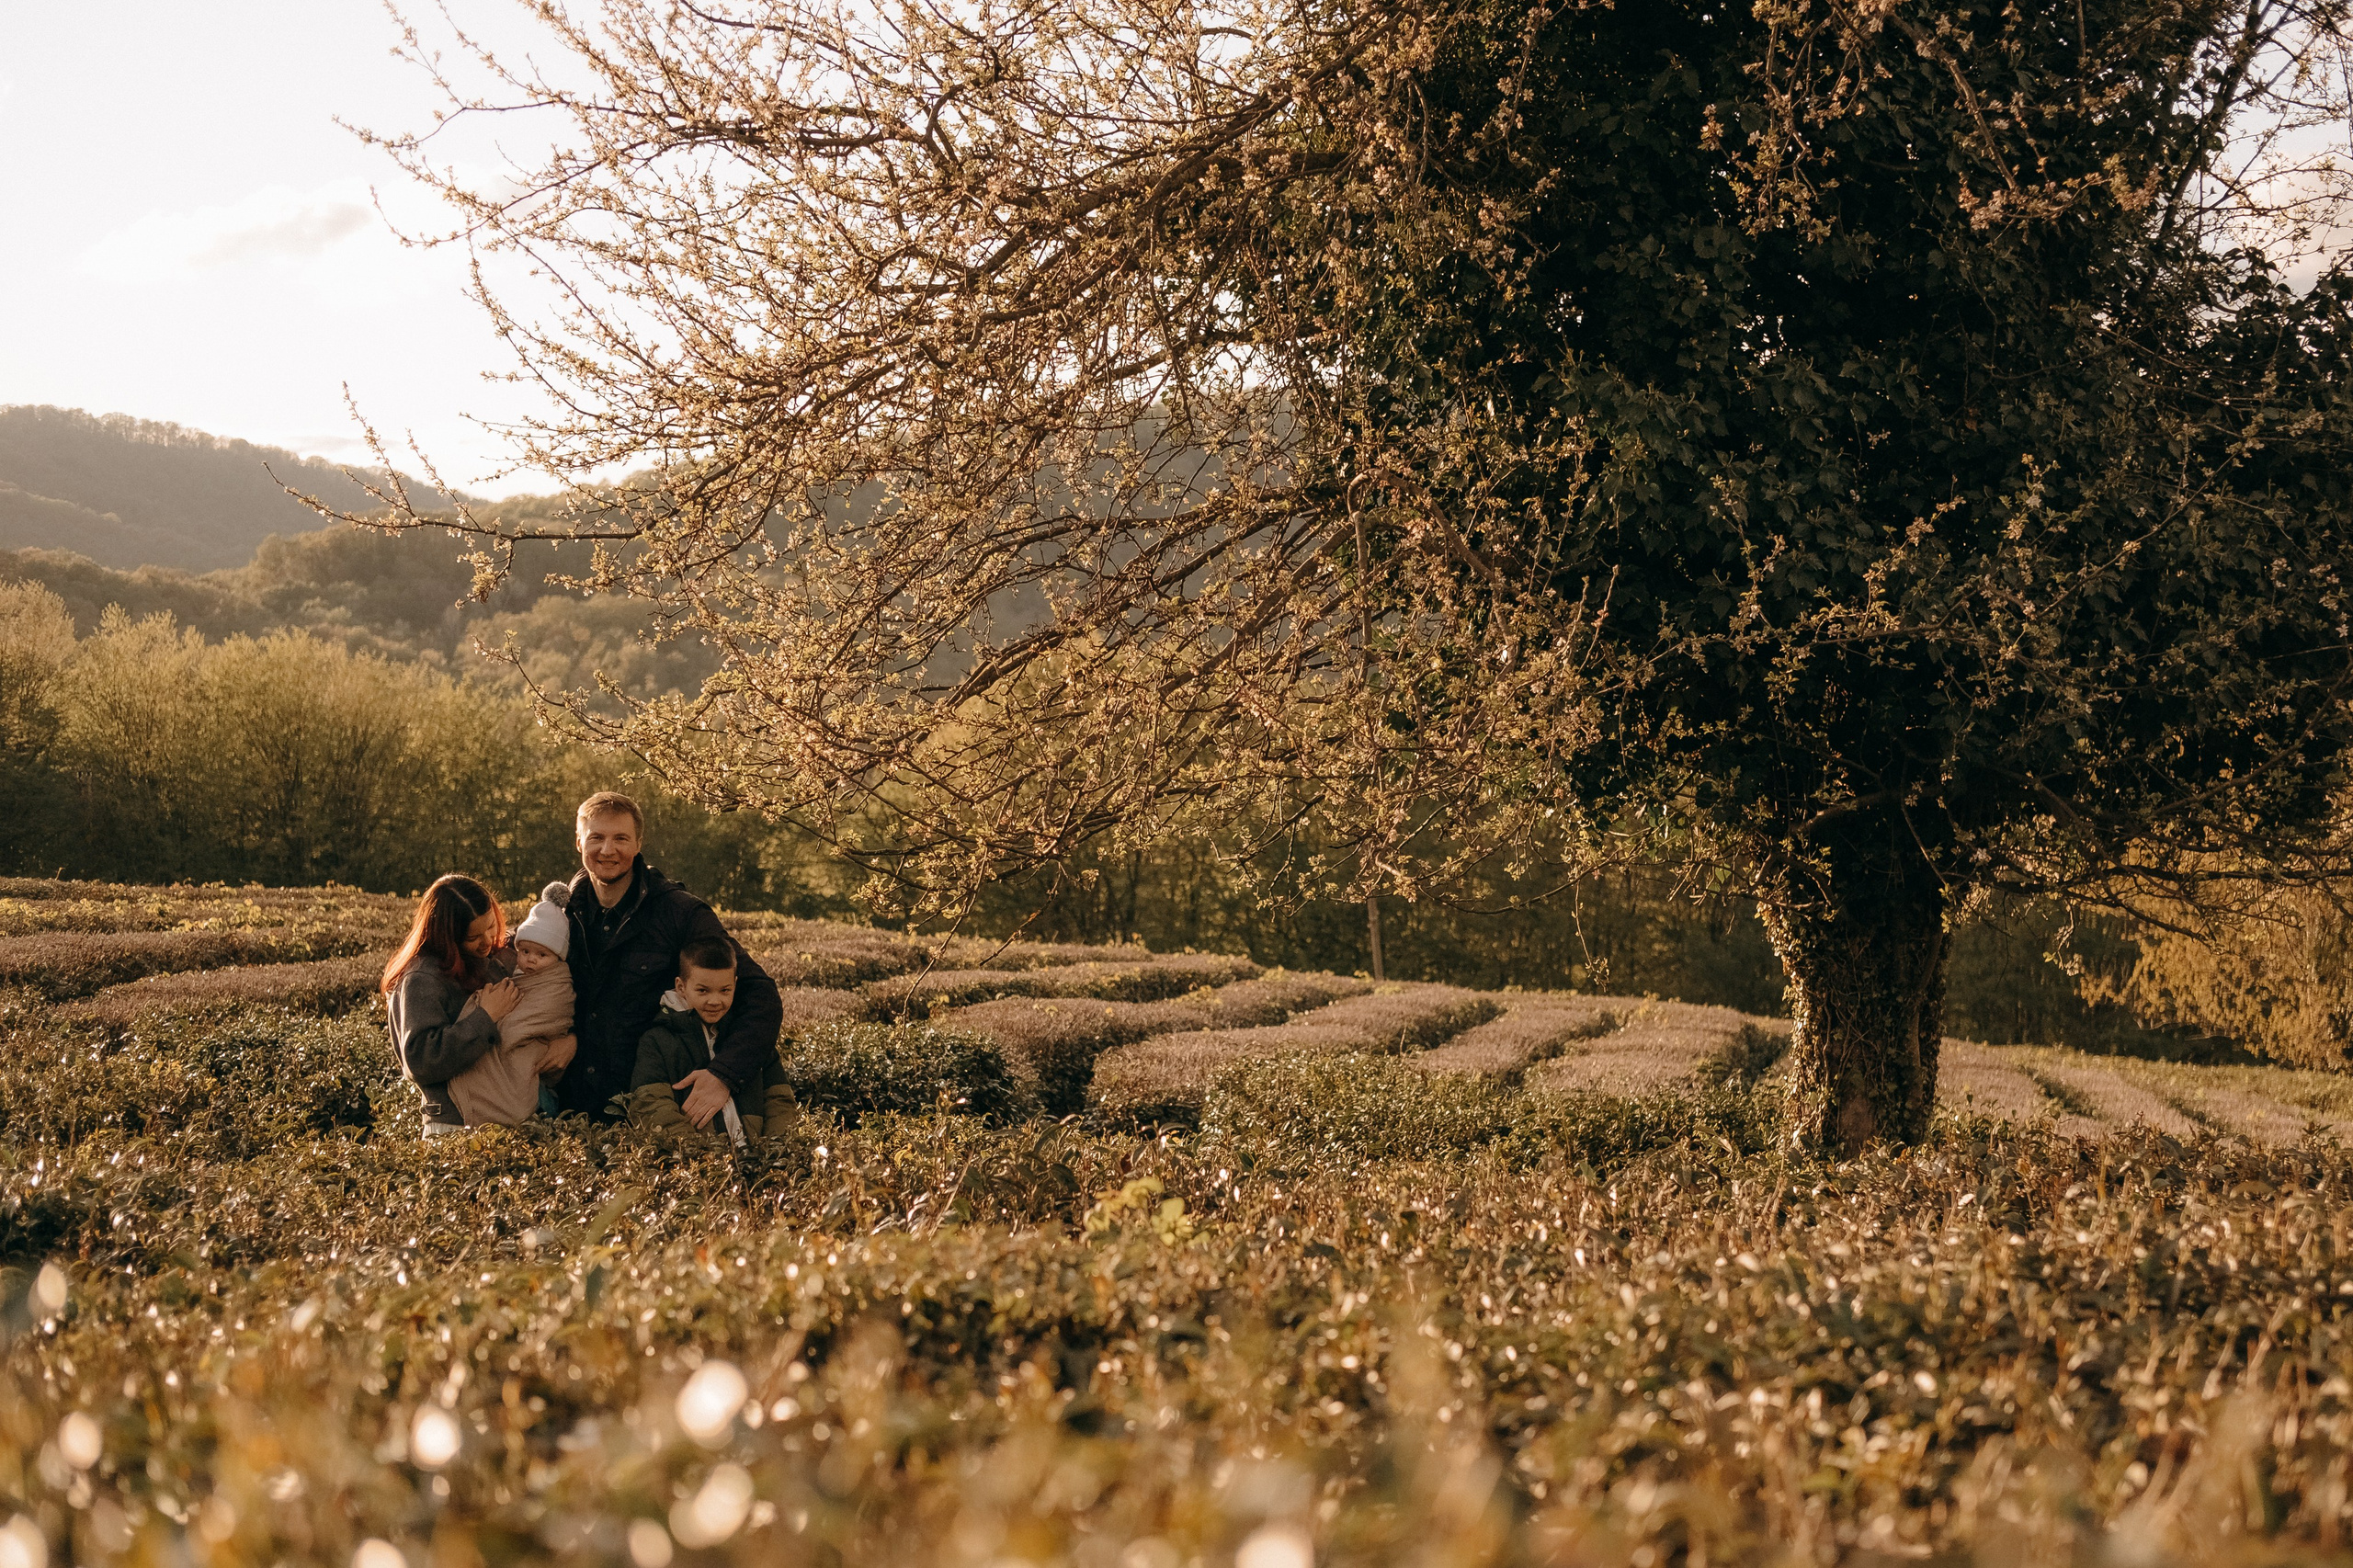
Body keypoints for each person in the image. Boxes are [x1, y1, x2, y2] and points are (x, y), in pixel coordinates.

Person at [559, 790, 785, 1125]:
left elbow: (761, 996)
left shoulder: (680, 913)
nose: (608, 850)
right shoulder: (559, 913)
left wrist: (723, 1074)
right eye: (596, 838)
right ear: (579, 843)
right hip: (572, 1111)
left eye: (620, 838)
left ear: (638, 844)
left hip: (656, 1114)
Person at [381, 874, 520, 1137]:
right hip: (453, 1126)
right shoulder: (421, 979)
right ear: (447, 937)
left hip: (503, 1114)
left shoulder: (497, 956)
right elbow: (420, 1060)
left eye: (491, 926)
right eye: (473, 937)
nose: (488, 941)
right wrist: (485, 1017)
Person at [623, 937, 797, 1143]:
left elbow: (780, 1103)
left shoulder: (750, 1036)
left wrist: (773, 1152)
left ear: (735, 985)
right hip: (698, 1169)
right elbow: (651, 1107)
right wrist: (699, 1159)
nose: (715, 1001)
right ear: (680, 986)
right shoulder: (657, 1040)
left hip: (757, 1164)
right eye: (703, 990)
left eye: (725, 990)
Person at [444, 881, 579, 1127]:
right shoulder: (509, 968)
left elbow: (523, 1025)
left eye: (541, 955)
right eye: (525, 951)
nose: (531, 961)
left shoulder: (557, 983)